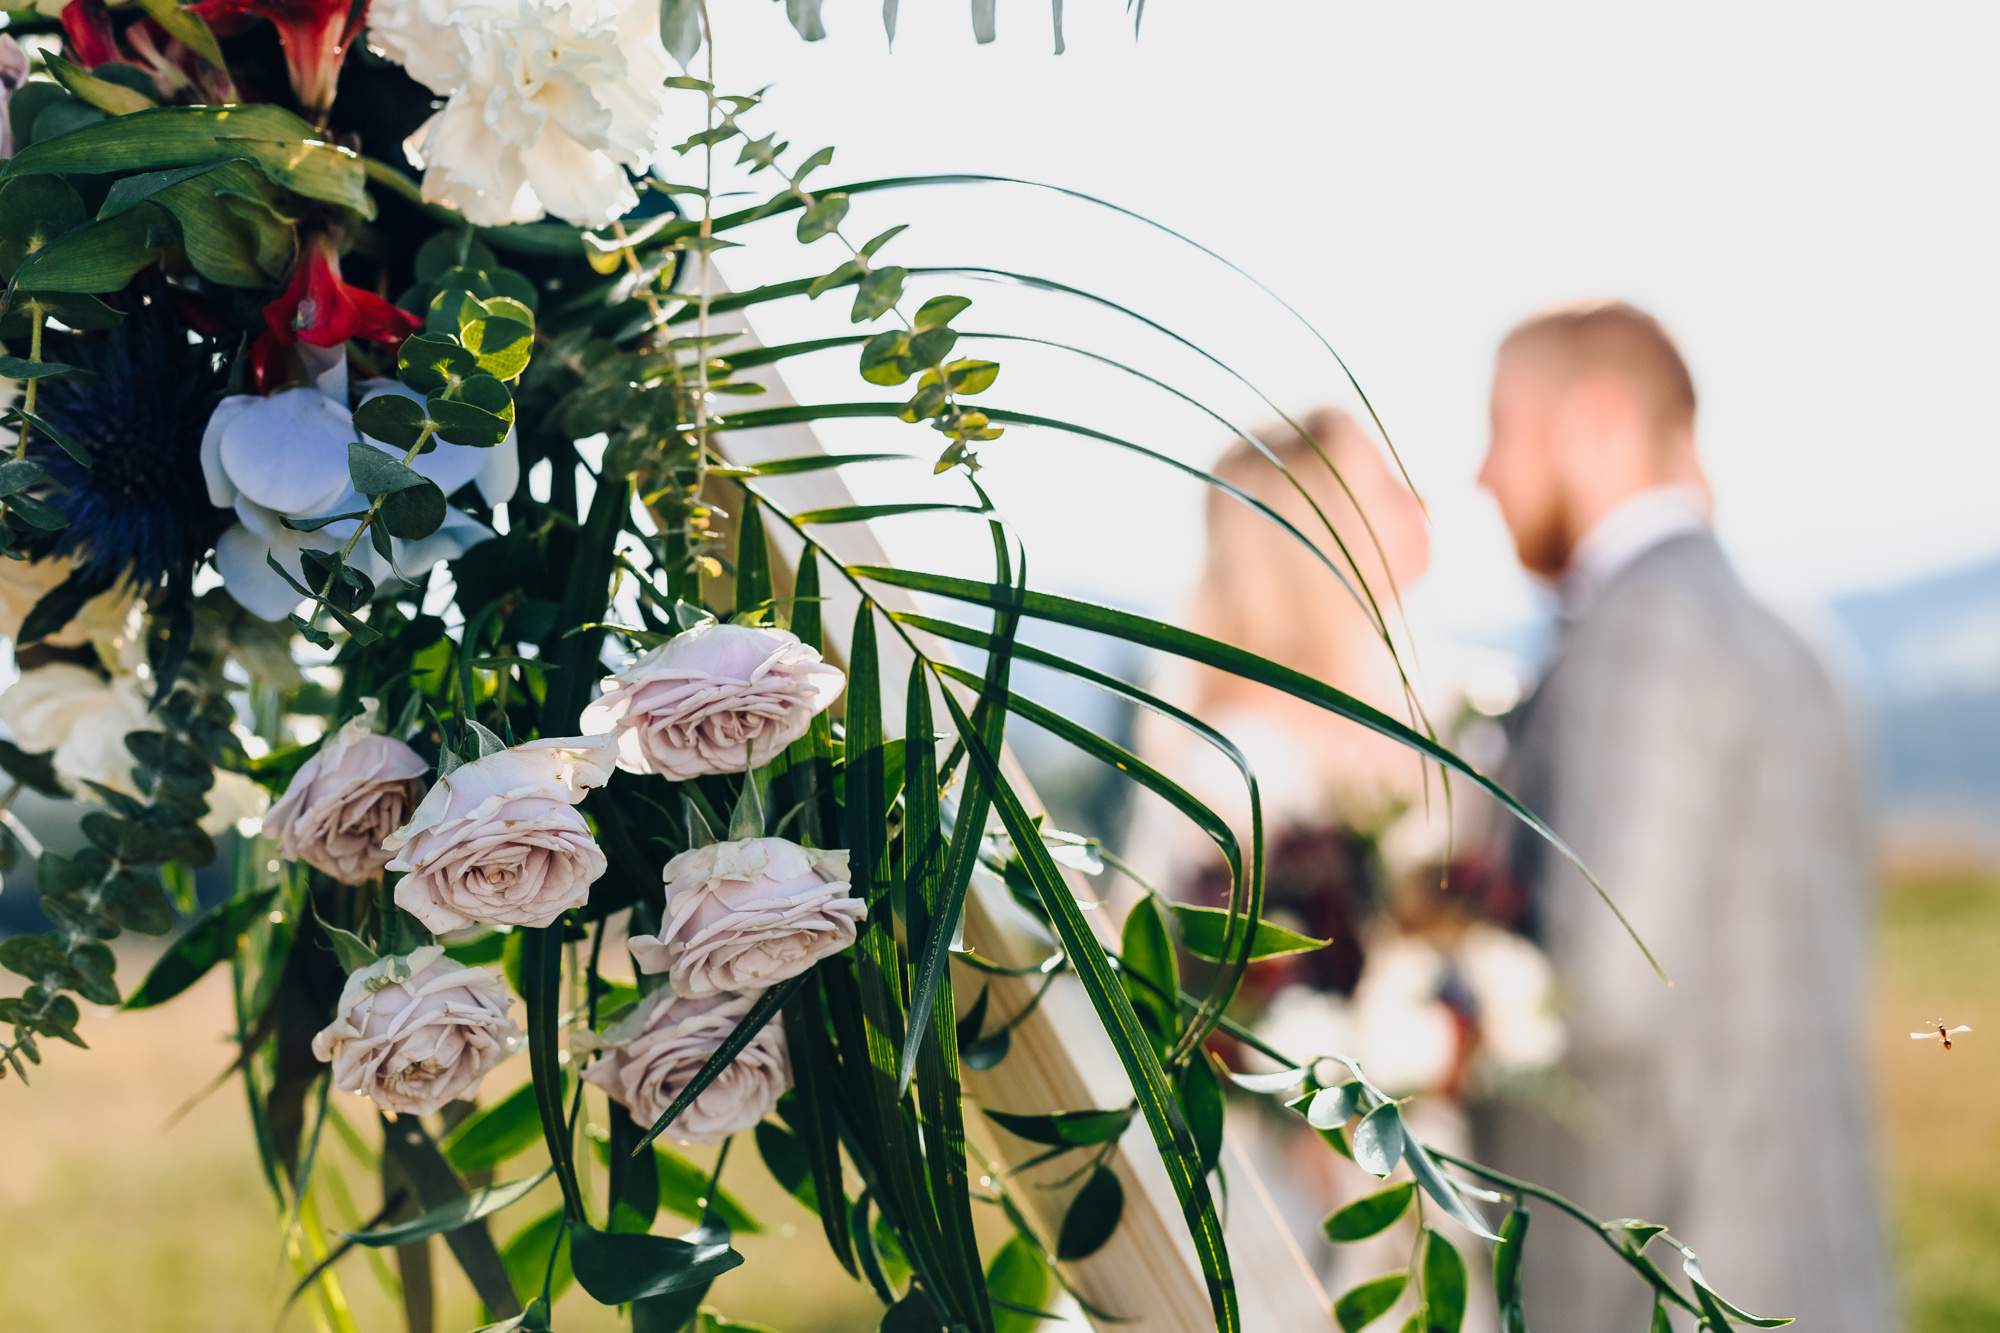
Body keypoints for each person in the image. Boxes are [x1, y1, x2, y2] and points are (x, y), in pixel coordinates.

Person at [1472, 300, 1891, 1331]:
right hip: (1815, 1260)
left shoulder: (1640, 630)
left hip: (1663, 1274)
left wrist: (1425, 1032)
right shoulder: (1798, 642)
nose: (1484, 473)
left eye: (1502, 431)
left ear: (1594, 420)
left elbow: (1608, 995)